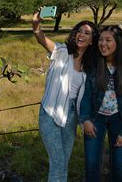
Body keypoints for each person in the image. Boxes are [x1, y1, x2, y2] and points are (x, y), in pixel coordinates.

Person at [32, 9, 99, 182]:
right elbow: (41, 39)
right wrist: (36, 23)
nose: (81, 35)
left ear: (92, 40)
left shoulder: (90, 66)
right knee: (58, 162)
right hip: (50, 111)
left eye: (87, 33)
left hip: (71, 116)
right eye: (79, 31)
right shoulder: (61, 51)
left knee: (63, 163)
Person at [80, 25, 122, 182]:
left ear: (118, 42)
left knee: (118, 166)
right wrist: (85, 119)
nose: (103, 44)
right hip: (95, 118)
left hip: (118, 120)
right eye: (100, 40)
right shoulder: (95, 63)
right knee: (92, 164)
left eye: (108, 40)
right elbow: (87, 94)